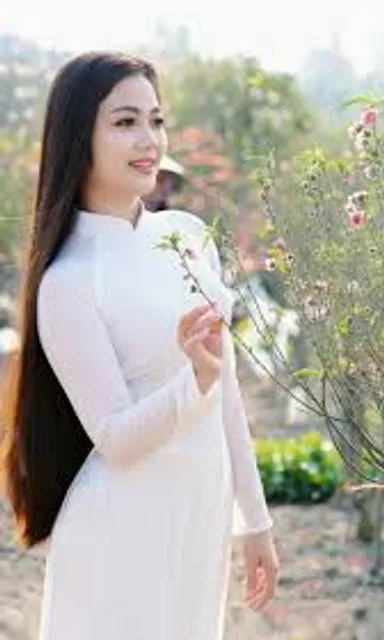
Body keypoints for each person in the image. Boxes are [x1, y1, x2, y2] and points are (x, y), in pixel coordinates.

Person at [0, 51, 278, 640]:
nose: (149, 139)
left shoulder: (187, 239)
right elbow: (118, 439)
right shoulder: (70, 280)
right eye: (125, 122)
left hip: (198, 514)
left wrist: (254, 521)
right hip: (120, 534)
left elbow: (226, 396)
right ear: (80, 135)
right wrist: (192, 381)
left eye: (156, 120)